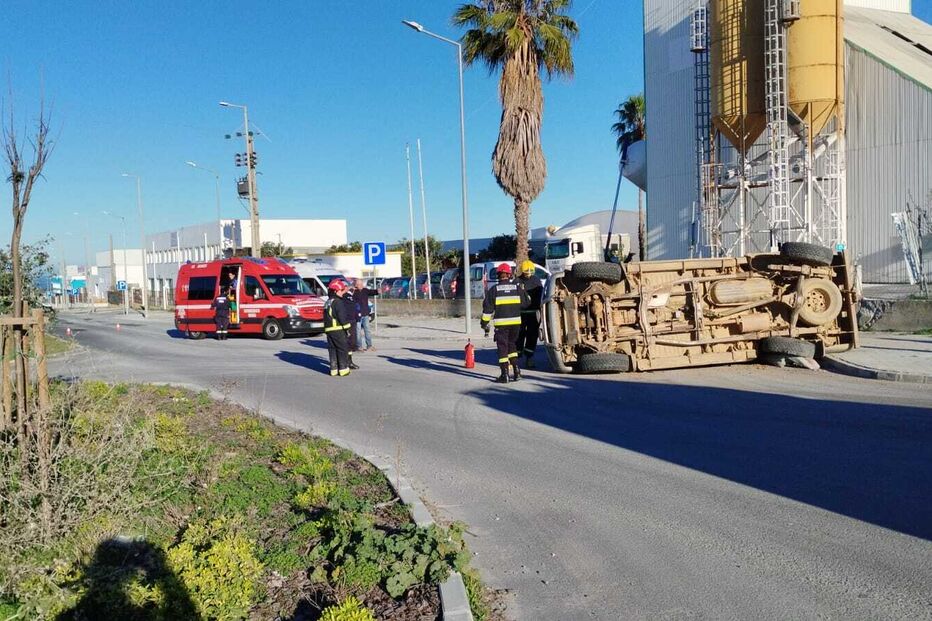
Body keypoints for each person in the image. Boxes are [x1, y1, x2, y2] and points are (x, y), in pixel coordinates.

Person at [480, 263, 529, 383]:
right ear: (509, 274)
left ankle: (505, 374)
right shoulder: (517, 288)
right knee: (512, 345)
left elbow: (487, 310)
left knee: (502, 348)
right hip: (516, 324)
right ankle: (517, 372)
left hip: (501, 325)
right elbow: (526, 303)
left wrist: (484, 323)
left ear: (498, 275)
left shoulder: (494, 290)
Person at [516, 260, 543, 368]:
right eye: (526, 273)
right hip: (520, 313)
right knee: (518, 335)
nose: (529, 274)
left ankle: (529, 357)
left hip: (533, 313)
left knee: (532, 335)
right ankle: (516, 358)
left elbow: (540, 296)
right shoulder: (517, 281)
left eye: (530, 272)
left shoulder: (536, 281)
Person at [324, 280, 353, 377]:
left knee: (332, 349)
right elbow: (342, 317)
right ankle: (343, 370)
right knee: (342, 349)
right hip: (338, 329)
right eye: (341, 290)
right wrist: (347, 328)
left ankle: (334, 370)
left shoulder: (328, 302)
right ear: (336, 291)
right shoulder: (338, 302)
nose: (342, 292)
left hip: (329, 330)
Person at [353, 278, 379, 352]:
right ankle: (359, 346)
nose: (361, 285)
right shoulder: (354, 292)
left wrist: (377, 291)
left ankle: (369, 346)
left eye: (361, 284)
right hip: (357, 315)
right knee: (358, 331)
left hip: (365, 314)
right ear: (356, 285)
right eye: (359, 284)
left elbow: (372, 292)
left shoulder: (365, 290)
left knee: (367, 330)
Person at [342, 282, 361, 369]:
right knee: (347, 343)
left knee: (351, 343)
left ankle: (349, 361)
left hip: (353, 321)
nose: (353, 289)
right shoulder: (343, 296)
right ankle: (345, 362)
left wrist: (357, 317)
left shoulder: (352, 297)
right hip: (347, 322)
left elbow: (355, 307)